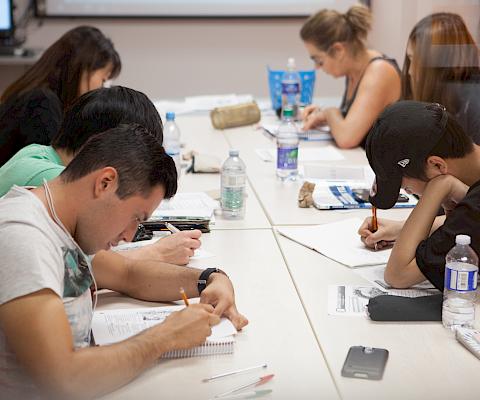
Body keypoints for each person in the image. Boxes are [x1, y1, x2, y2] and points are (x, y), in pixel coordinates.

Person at [0, 124, 248, 398]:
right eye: (136, 218)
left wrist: (210, 279)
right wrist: (165, 337)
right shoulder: (24, 236)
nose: (130, 237)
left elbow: (130, 274)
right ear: (105, 183)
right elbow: (65, 378)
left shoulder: (64, 221)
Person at [0, 85, 199, 265]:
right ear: (106, 143)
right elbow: (82, 266)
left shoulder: (39, 153)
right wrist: (155, 253)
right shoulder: (56, 180)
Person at [357, 101, 480, 290]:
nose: (407, 192)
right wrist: (402, 228)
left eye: (405, 187)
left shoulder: (474, 207)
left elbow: (397, 275)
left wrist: (440, 186)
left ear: (437, 166)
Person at [0, 26, 121, 166]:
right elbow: (52, 173)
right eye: (103, 79)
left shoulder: (36, 93)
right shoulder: (41, 102)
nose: (102, 87)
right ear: (83, 69)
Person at [299, 4, 401, 149]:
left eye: (318, 60)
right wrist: (322, 115)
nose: (317, 67)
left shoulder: (379, 71)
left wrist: (330, 113)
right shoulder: (354, 72)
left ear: (338, 50)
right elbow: (351, 123)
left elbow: (347, 138)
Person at [402, 12, 480, 143]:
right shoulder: (446, 97)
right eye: (410, 59)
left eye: (417, 61)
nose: (410, 71)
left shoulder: (474, 105)